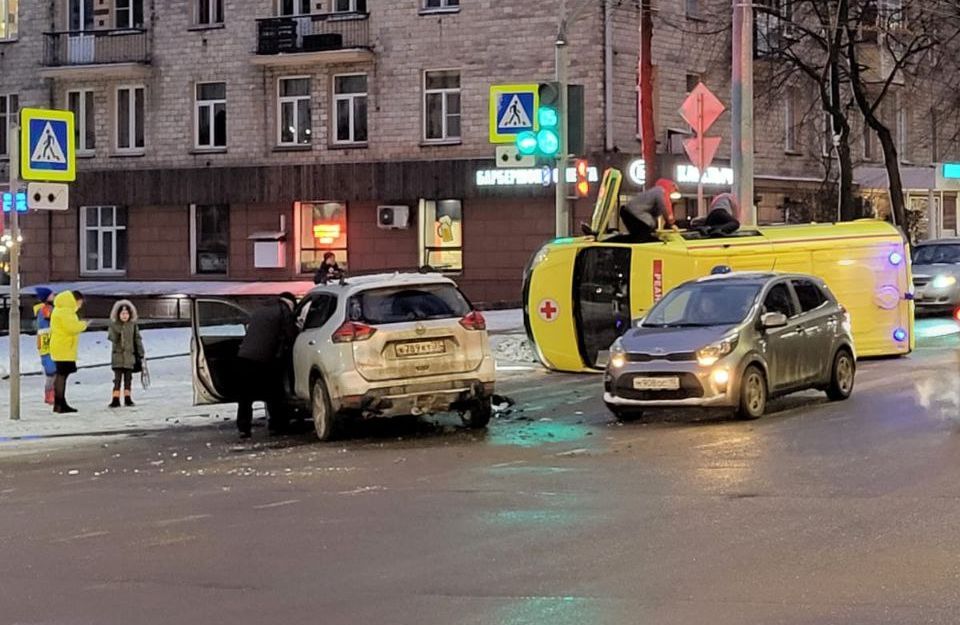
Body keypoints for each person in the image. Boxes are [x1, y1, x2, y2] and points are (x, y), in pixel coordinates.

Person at [235, 292, 299, 439]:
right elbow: (290, 334)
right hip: (265, 358)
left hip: (244, 356)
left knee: (245, 396)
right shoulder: (283, 310)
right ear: (290, 303)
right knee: (274, 393)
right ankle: (277, 425)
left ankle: (243, 428)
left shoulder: (262, 309)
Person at [49, 290, 88, 414]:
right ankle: (60, 404)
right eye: (80, 302)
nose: (80, 305)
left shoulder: (59, 309)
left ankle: (59, 403)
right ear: (75, 300)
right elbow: (72, 327)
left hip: (60, 346)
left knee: (61, 375)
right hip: (64, 347)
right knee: (62, 375)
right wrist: (84, 324)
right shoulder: (66, 311)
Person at [107, 300, 145, 408]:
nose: (125, 316)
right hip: (117, 357)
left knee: (128, 379)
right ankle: (115, 398)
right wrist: (116, 331)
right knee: (117, 379)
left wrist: (141, 352)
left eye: (127, 313)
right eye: (122, 314)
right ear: (118, 314)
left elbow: (137, 339)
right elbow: (112, 338)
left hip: (129, 357)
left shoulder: (132, 325)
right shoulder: (114, 325)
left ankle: (128, 398)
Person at [33, 287, 56, 405]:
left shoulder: (47, 309)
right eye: (52, 294)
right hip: (47, 342)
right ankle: (49, 394)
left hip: (49, 342)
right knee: (51, 370)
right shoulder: (46, 310)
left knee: (53, 370)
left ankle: (53, 393)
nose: (54, 296)